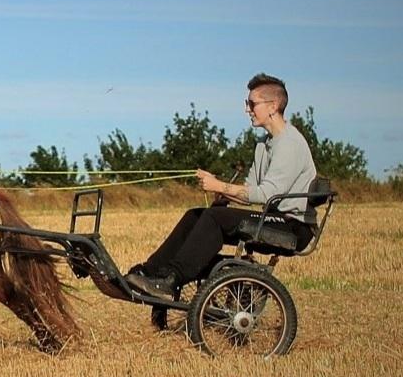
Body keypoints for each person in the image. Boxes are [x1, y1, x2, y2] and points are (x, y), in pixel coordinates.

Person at [126, 73, 317, 298]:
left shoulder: (289, 144)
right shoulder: (263, 146)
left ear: (273, 106)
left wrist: (219, 186)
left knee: (215, 218)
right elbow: (250, 189)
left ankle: (172, 280)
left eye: (252, 103)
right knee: (197, 215)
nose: (247, 109)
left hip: (293, 227)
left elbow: (266, 194)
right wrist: (223, 193)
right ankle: (150, 272)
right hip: (274, 218)